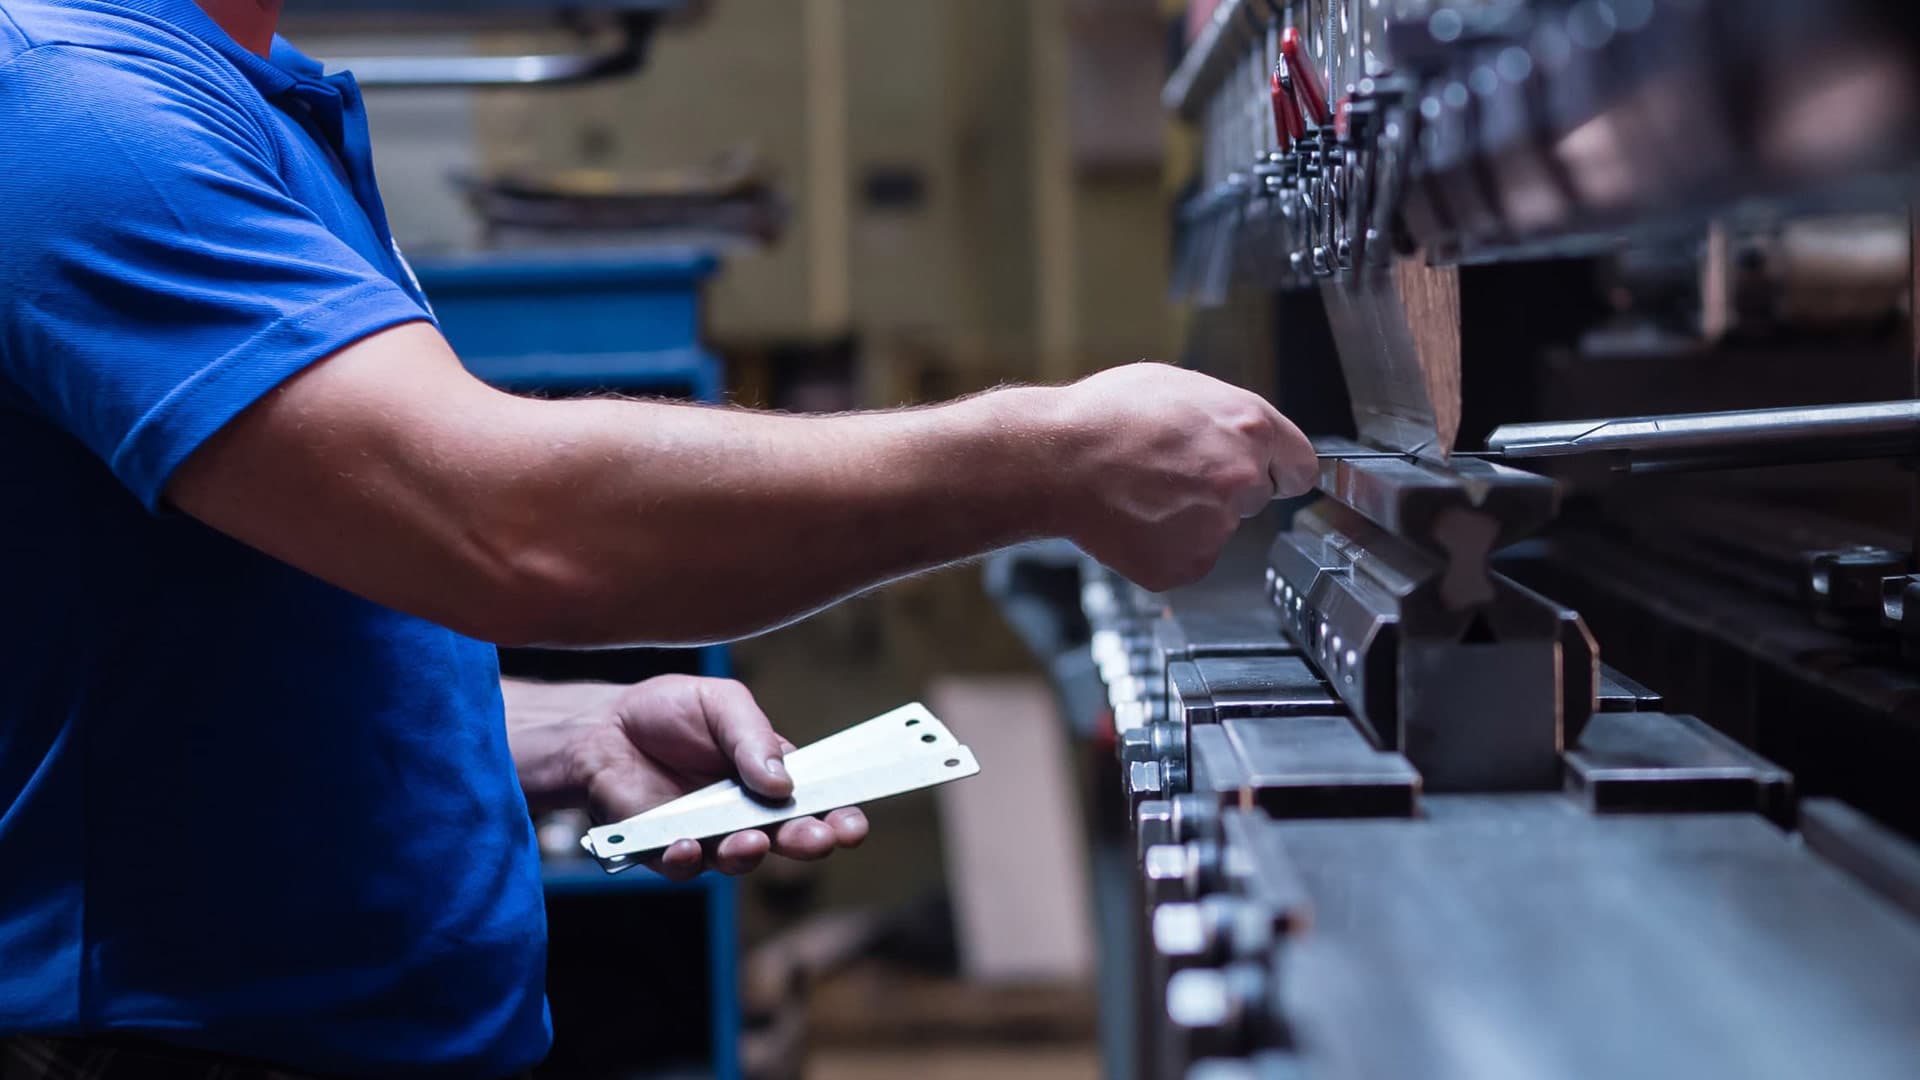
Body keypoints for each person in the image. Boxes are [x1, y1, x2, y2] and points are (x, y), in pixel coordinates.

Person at [0, 0, 1319, 1076]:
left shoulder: (242, 90)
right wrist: (1051, 457)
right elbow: (507, 524)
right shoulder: (77, 112)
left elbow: (171, 631)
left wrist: (544, 729)